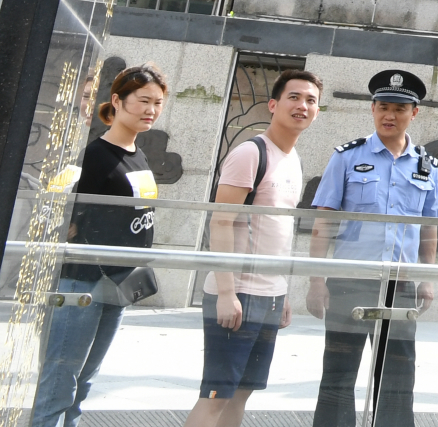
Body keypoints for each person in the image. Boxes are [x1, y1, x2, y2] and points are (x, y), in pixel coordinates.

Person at [307, 69, 438, 427]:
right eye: (383, 107)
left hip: (399, 285)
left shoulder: (426, 166)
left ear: (414, 113)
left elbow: (430, 227)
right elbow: (324, 223)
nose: (390, 115)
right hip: (350, 282)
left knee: (399, 378)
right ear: (372, 109)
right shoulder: (347, 157)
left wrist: (426, 279)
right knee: (338, 373)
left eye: (400, 109)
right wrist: (316, 280)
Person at [34, 63, 170, 427]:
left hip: (120, 282)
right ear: (117, 100)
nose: (150, 110)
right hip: (82, 282)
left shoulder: (139, 156)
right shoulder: (92, 157)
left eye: (157, 103)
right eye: (143, 100)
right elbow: (63, 220)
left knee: (84, 385)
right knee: (59, 384)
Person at [185, 69, 322, 427]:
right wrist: (226, 292)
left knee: (241, 392)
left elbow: (277, 232)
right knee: (216, 395)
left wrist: (282, 293)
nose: (302, 106)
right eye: (294, 97)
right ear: (273, 104)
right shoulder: (251, 152)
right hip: (238, 293)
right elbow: (220, 221)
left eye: (311, 100)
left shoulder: (292, 158)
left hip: (269, 295)